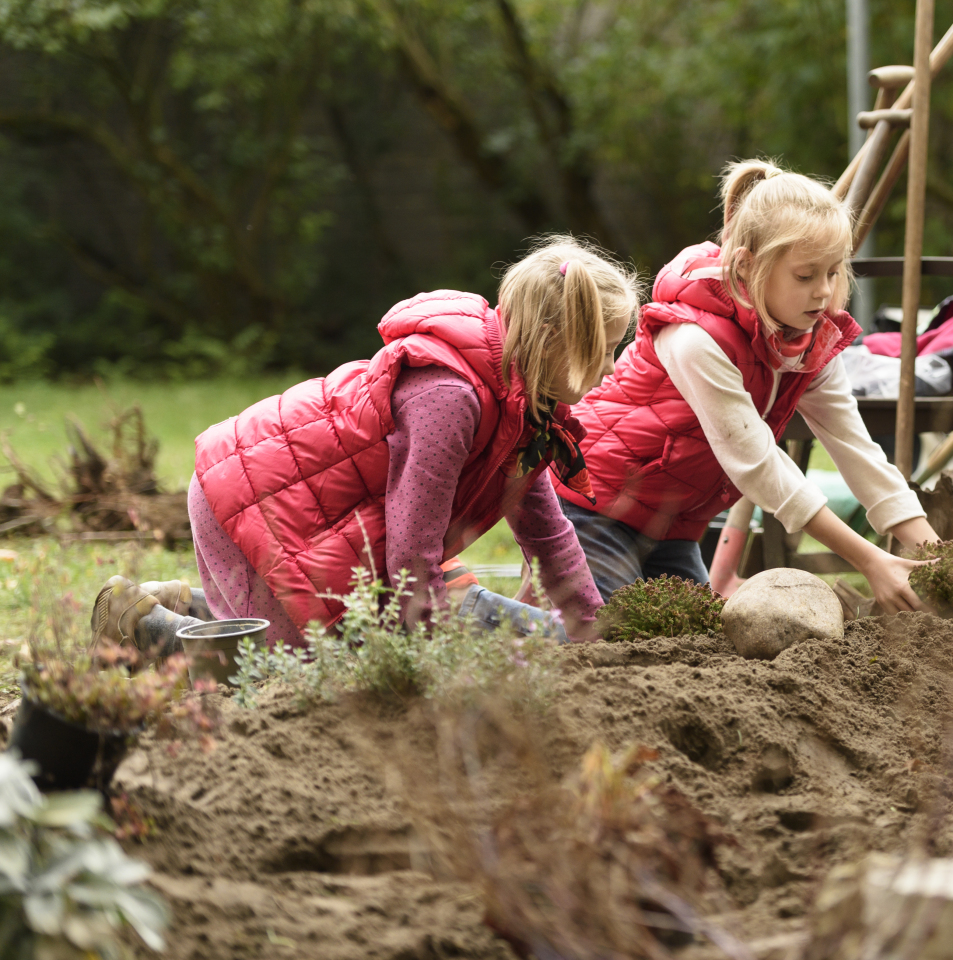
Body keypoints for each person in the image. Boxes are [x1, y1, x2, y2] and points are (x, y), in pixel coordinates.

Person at [90, 236, 640, 656]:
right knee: (294, 679)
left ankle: (193, 603)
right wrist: (414, 655)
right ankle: (146, 626)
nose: (613, 369)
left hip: (321, 521)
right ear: (552, 342)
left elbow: (547, 531)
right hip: (252, 502)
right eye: (604, 349)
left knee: (336, 651)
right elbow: (411, 555)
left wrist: (594, 631)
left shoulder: (526, 410)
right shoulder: (450, 398)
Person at [551, 160, 942, 613]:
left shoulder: (811, 340)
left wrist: (936, 556)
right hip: (593, 508)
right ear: (747, 265)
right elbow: (757, 464)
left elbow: (857, 451)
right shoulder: (694, 338)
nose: (822, 292)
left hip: (673, 526)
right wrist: (869, 559)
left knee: (701, 647)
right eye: (805, 275)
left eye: (833, 273)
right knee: (602, 638)